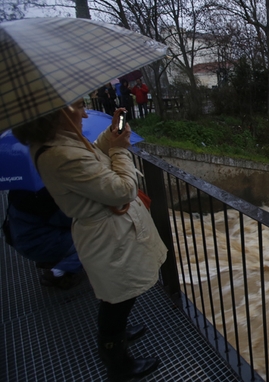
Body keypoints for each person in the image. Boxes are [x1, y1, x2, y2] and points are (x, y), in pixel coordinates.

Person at [12, 99, 167, 381]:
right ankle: (117, 360)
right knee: (116, 298)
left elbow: (94, 157)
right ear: (54, 114)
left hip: (111, 232)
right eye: (77, 107)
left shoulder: (63, 142)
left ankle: (117, 333)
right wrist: (121, 151)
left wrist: (111, 136)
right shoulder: (59, 154)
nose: (84, 112)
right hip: (108, 237)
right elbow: (122, 189)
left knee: (121, 292)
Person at [5, 187, 83, 289]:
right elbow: (71, 220)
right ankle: (59, 273)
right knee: (97, 238)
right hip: (39, 244)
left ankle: (50, 260)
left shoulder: (21, 186)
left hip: (22, 238)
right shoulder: (41, 194)